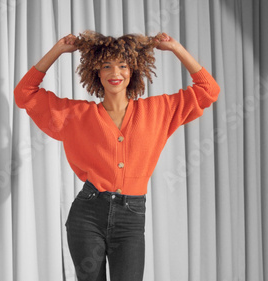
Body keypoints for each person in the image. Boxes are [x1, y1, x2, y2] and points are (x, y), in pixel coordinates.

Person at [14, 31, 220, 281]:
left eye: (122, 65)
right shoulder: (76, 114)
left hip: (131, 218)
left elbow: (209, 91)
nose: (115, 73)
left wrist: (177, 49)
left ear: (132, 71)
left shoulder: (158, 111)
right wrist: (57, 50)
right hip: (87, 215)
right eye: (107, 66)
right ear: (96, 72)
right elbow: (25, 93)